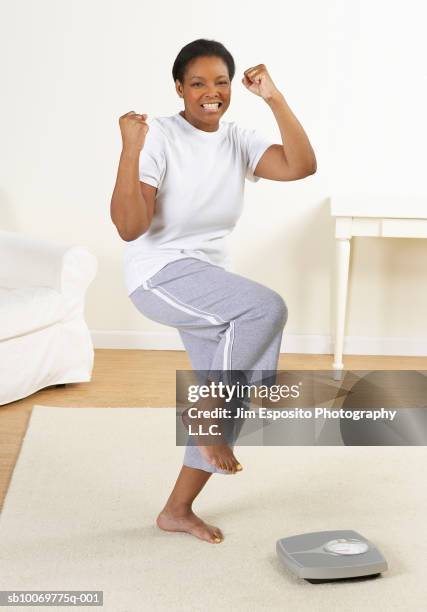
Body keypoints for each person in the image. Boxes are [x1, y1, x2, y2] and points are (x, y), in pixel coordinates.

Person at [110, 39, 316, 545]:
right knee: (265, 307)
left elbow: (300, 166)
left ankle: (177, 510)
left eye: (221, 82)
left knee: (231, 404)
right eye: (198, 83)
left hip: (207, 282)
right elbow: (130, 227)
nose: (211, 92)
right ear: (179, 88)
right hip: (159, 274)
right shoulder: (159, 136)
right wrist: (131, 149)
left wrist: (274, 97)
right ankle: (205, 408)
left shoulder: (238, 139)